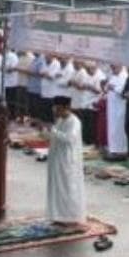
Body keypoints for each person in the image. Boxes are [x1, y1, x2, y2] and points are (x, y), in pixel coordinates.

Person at [45, 96, 86, 228]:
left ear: (65, 108)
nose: (55, 112)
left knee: (68, 188)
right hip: (57, 159)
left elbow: (69, 139)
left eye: (57, 109)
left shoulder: (74, 121)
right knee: (57, 188)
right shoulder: (60, 120)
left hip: (67, 161)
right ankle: (58, 215)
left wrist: (53, 131)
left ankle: (70, 217)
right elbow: (56, 136)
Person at [105, 64, 129, 160]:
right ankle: (113, 149)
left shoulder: (124, 76)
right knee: (112, 128)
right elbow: (107, 88)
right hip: (112, 107)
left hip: (120, 107)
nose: (113, 69)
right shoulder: (113, 76)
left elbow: (124, 91)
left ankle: (121, 151)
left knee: (119, 129)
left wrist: (113, 88)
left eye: (114, 67)